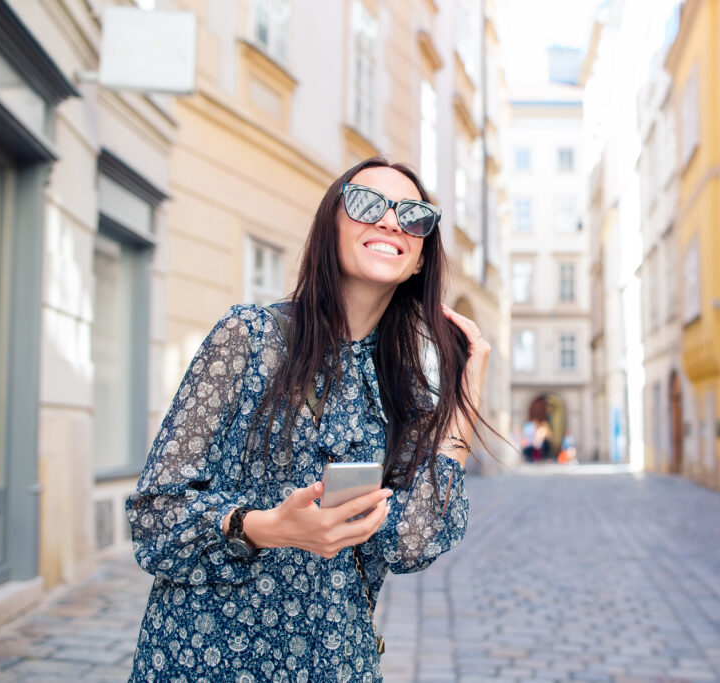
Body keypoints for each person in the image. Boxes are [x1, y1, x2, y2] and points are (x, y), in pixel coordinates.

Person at [125, 157, 491, 682]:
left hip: (336, 663)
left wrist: (464, 400)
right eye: (367, 204)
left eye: (413, 216)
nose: (391, 222)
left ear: (418, 260)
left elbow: (411, 544)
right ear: (330, 228)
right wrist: (266, 528)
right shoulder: (249, 339)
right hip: (206, 656)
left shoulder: (403, 391)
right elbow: (153, 519)